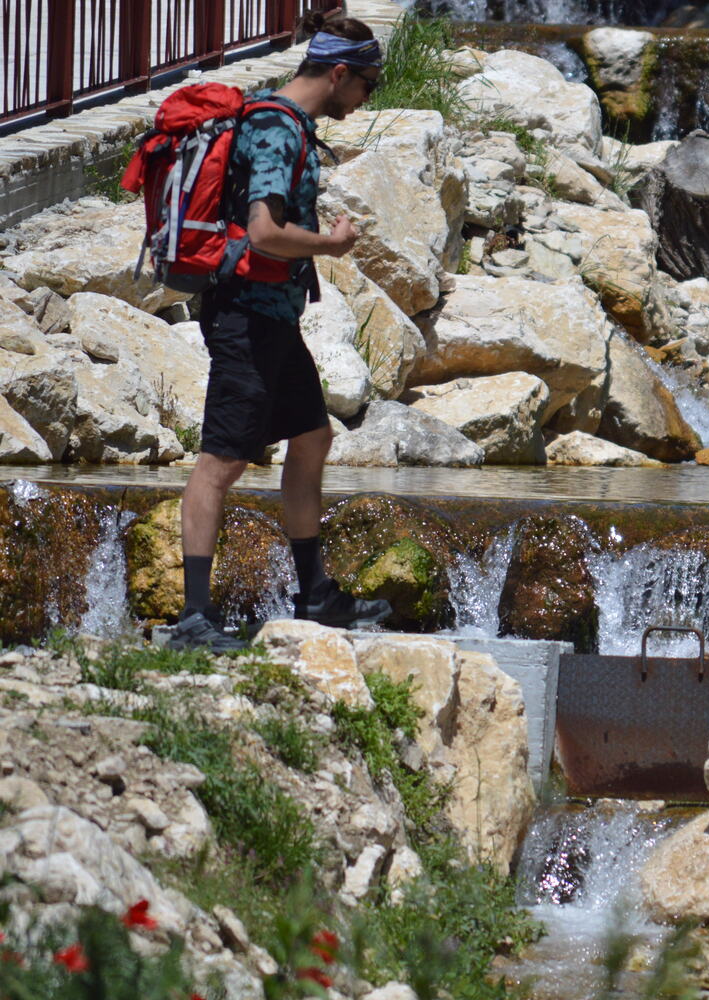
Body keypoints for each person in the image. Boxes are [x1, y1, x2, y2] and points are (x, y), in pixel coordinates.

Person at [170, 13, 392, 650]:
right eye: (367, 85)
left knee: (313, 435)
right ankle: (193, 618)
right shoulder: (276, 128)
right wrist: (331, 244)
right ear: (340, 73)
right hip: (244, 316)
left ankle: (315, 593)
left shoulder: (284, 122)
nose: (365, 99)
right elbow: (265, 232)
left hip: (271, 316)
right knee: (222, 460)